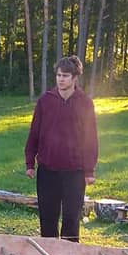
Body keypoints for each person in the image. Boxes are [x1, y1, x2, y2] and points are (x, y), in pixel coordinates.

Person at [24, 55, 98, 242]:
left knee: (72, 219)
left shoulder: (85, 103)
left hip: (75, 171)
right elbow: (34, 132)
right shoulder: (45, 101)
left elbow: (91, 139)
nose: (61, 79)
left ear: (75, 78)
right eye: (58, 75)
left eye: (65, 76)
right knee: (48, 218)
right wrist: (30, 162)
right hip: (47, 170)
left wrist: (89, 170)